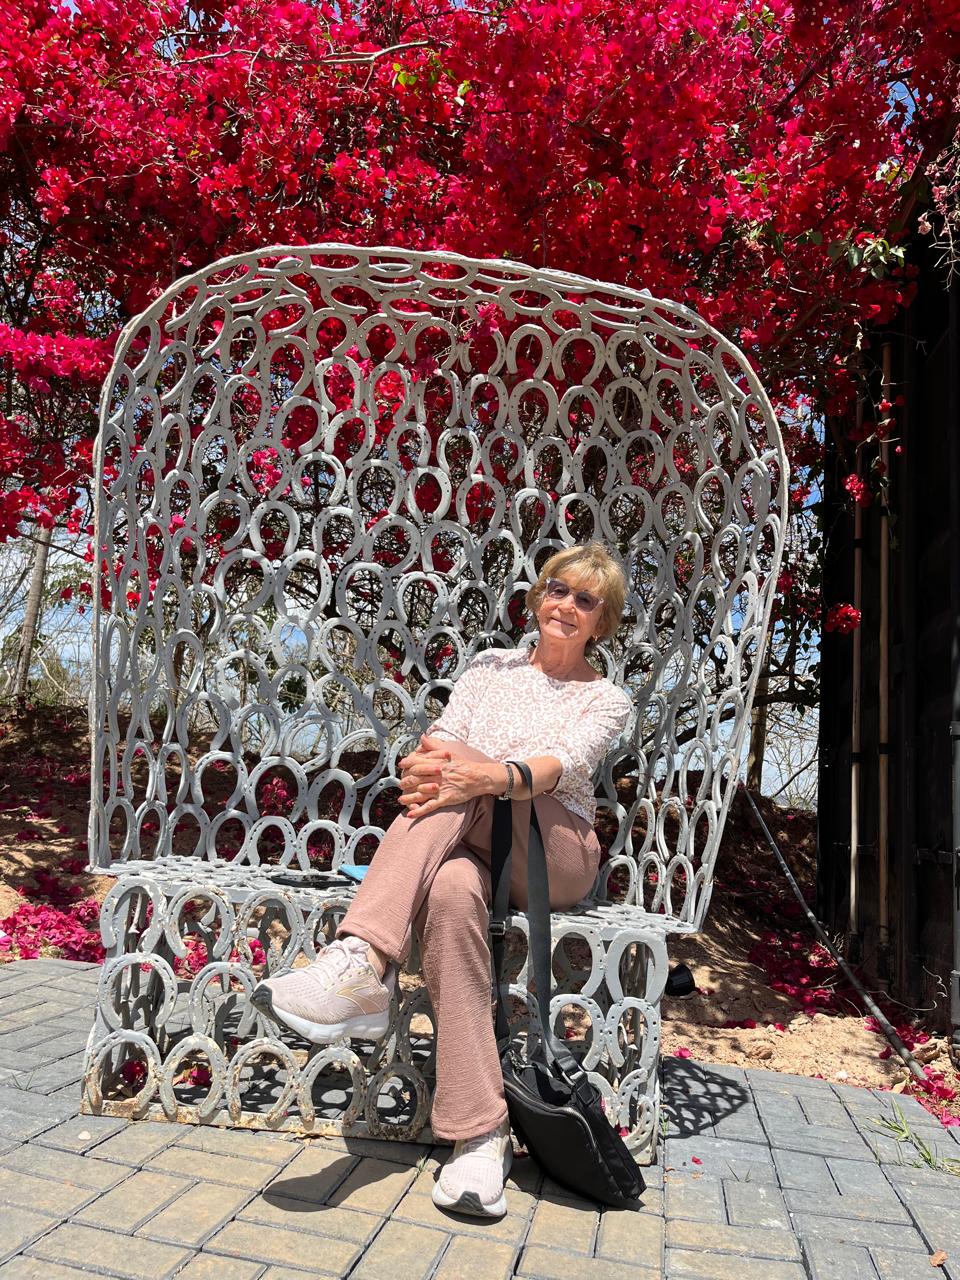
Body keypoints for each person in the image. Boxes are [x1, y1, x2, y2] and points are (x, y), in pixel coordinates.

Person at [252, 541, 632, 1219]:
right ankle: (479, 1137)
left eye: (585, 599)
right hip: (473, 842)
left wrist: (477, 774)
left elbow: (559, 765)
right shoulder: (489, 668)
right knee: (453, 891)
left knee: (467, 776)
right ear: (538, 597)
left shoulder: (604, 698)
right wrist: (426, 768)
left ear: (601, 621)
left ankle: (362, 961)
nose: (566, 605)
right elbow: (438, 742)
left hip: (553, 852)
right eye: (557, 589)